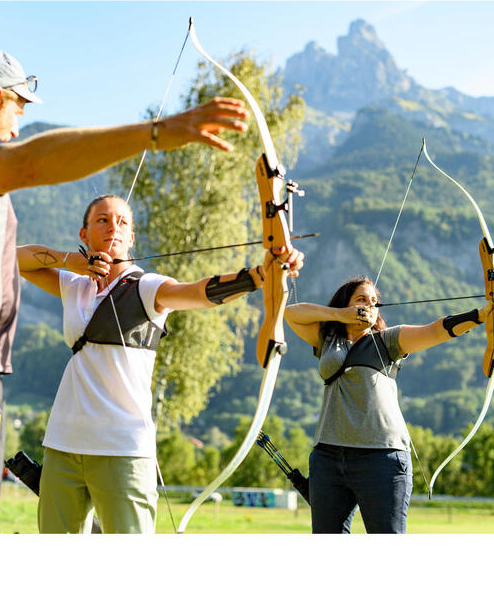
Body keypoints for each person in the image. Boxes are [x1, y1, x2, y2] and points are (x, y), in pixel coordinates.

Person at [0, 44, 250, 534]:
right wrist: (157, 132)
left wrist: (255, 277)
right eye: (17, 109)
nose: (16, 129)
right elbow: (29, 163)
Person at [17, 194, 304, 533]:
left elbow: (197, 292)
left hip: (122, 448)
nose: (113, 228)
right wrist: (71, 262)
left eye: (123, 222)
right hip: (63, 444)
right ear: (84, 234)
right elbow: (13, 258)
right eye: (103, 220)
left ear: (132, 237)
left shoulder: (146, 287)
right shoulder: (73, 285)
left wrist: (259, 275)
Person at [284, 276, 494, 534]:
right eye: (361, 299)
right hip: (328, 457)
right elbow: (291, 313)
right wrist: (341, 315)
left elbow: (436, 329)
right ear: (346, 304)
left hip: (380, 459)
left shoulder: (388, 340)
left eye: (374, 302)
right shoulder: (328, 340)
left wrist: (481, 315)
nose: (369, 305)